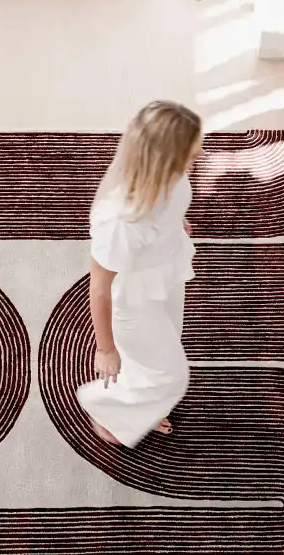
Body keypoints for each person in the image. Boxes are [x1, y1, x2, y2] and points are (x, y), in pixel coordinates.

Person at [77, 100, 203, 447]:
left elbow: (171, 205)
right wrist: (105, 350)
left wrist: (174, 224)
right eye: (190, 158)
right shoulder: (119, 221)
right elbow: (100, 287)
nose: (196, 162)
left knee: (165, 345)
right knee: (172, 377)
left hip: (166, 270)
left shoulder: (170, 176)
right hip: (135, 300)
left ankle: (141, 394)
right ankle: (111, 417)